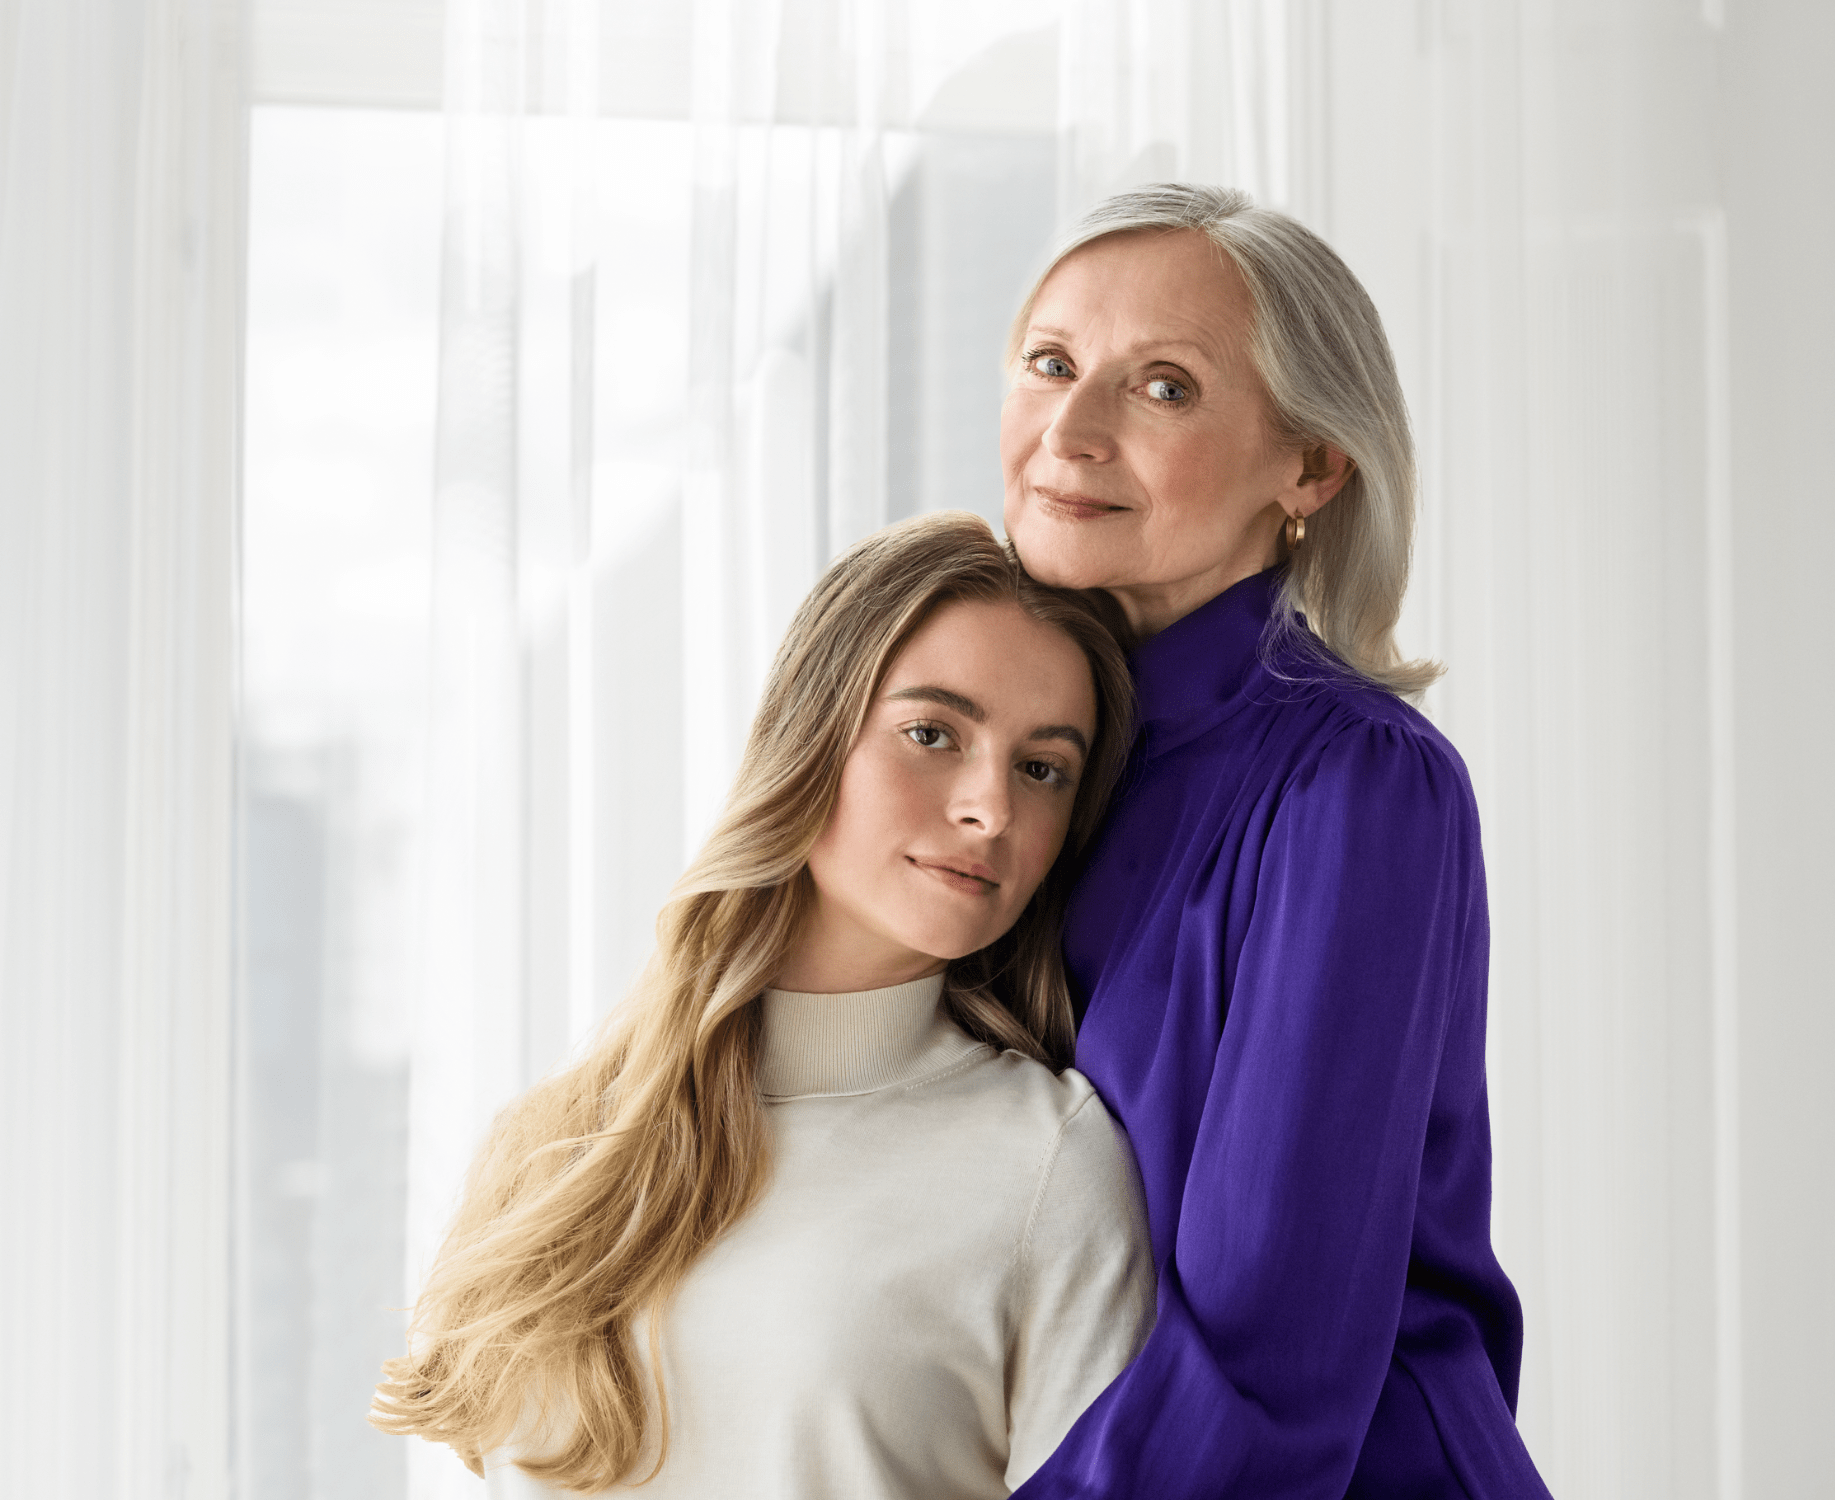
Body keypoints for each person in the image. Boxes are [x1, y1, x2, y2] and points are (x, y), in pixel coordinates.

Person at [372, 512, 1154, 1498]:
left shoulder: (1046, 1165)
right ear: (810, 735)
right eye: (931, 734)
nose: (989, 808)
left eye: (1041, 769)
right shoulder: (554, 1148)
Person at [1000, 184, 1552, 1497]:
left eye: (1164, 387)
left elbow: (1267, 1367)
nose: (1069, 432)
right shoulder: (1010, 763)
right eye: (1051, 364)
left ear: (1308, 467)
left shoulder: (1358, 784)